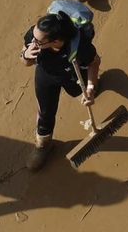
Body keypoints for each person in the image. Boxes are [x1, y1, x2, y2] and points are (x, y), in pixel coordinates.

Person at [20, 12, 100, 171]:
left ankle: (95, 87)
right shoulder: (35, 36)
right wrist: (26, 55)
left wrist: (90, 87)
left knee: (86, 96)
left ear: (56, 41)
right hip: (46, 77)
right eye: (33, 38)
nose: (33, 43)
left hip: (72, 76)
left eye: (38, 42)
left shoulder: (81, 47)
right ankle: (43, 145)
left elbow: (94, 62)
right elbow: (24, 61)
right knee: (45, 112)